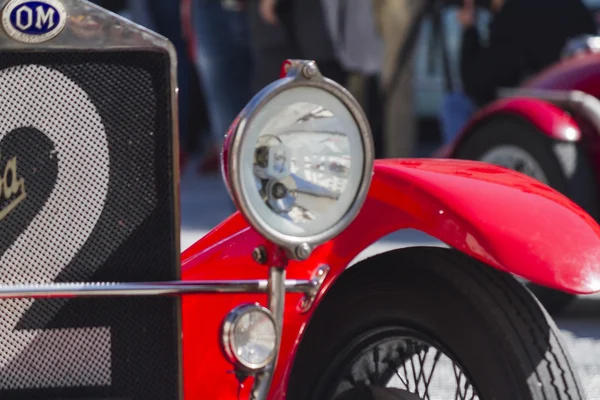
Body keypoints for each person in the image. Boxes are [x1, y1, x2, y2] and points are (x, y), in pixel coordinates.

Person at [441, 0, 598, 144]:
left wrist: (469, 28)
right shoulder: (571, 6)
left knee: (456, 103)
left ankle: (461, 171)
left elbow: (476, 83)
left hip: (546, 107)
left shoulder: (515, 13)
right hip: (581, 104)